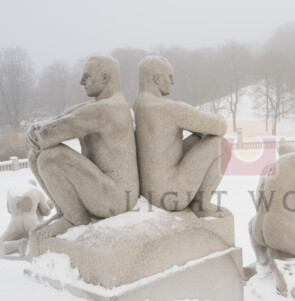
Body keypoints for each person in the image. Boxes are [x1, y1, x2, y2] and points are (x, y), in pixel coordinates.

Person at [27, 56, 140, 238]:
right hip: (102, 188)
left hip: (116, 198)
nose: (81, 82)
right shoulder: (96, 107)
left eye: (86, 76)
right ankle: (65, 211)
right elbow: (60, 120)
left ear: (104, 77)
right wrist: (38, 130)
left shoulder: (110, 108)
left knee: (51, 157)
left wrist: (36, 132)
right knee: (34, 156)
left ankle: (76, 219)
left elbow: (48, 135)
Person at [134, 56, 232, 218]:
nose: (172, 81)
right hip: (170, 194)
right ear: (157, 78)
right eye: (169, 76)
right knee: (221, 145)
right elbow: (220, 126)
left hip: (149, 190)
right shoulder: (169, 108)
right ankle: (202, 205)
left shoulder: (139, 105)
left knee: (197, 139)